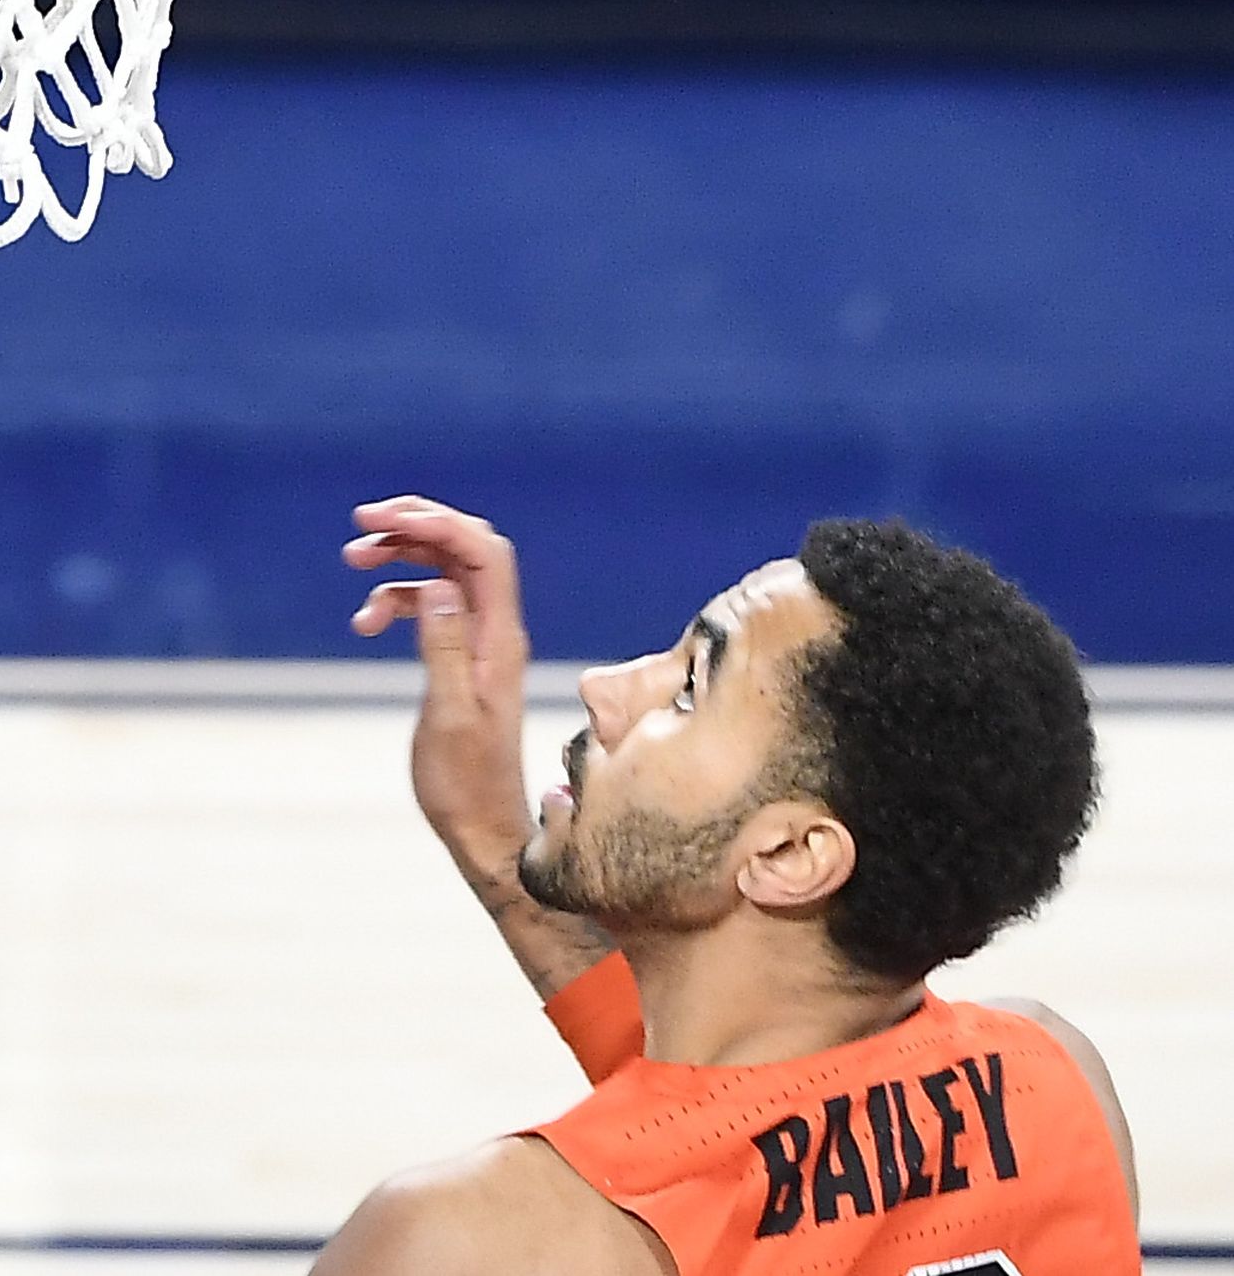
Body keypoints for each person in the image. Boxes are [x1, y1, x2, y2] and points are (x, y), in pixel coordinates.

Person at [321, 495, 1140, 1274]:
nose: (602, 689)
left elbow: (710, 1161)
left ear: (790, 856)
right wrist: (489, 828)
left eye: (687, 690)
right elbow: (750, 1130)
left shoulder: (465, 1244)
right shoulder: (1057, 1088)